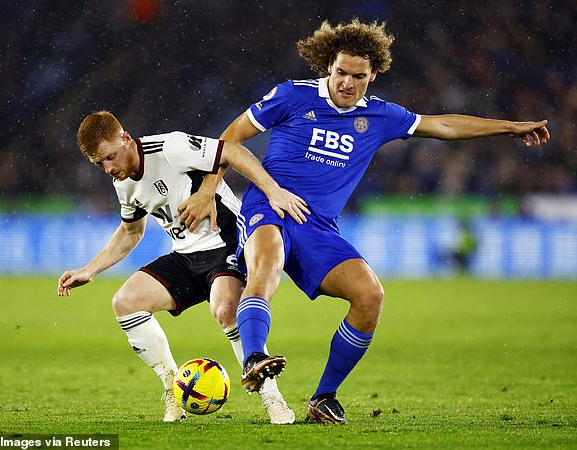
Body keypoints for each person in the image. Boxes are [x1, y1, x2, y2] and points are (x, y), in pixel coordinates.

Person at [183, 19, 550, 424]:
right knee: (266, 265)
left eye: (358, 76)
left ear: (372, 75)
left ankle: (323, 398)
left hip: (318, 226)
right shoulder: (291, 96)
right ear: (329, 67)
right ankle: (255, 357)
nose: (347, 83)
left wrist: (509, 128)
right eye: (341, 72)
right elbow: (229, 138)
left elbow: (442, 125)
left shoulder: (381, 116)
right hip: (269, 205)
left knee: (370, 296)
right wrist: (206, 190)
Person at [57, 111, 309, 424]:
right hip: (186, 257)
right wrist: (90, 270)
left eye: (110, 157)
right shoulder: (123, 184)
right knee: (125, 302)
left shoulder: (170, 147)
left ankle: (273, 399)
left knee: (226, 309)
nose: (109, 169)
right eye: (99, 164)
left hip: (225, 244)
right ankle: (172, 391)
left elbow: (231, 150)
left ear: (125, 138)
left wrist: (269, 191)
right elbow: (131, 231)